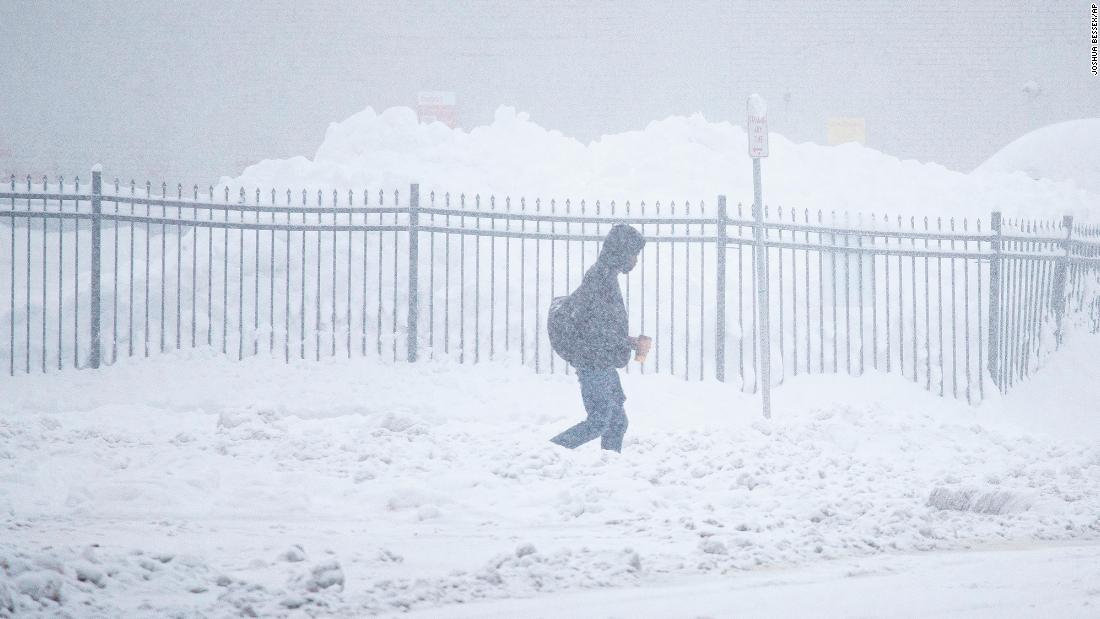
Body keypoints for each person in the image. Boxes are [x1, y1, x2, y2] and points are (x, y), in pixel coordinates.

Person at [550, 224, 650, 453]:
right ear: (622, 252)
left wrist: (629, 341)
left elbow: (602, 326)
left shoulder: (606, 276)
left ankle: (609, 469)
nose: (635, 260)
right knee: (599, 422)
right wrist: (629, 343)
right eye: (634, 254)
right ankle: (549, 453)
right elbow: (597, 332)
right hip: (593, 361)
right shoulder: (600, 279)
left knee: (616, 423)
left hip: (600, 360)